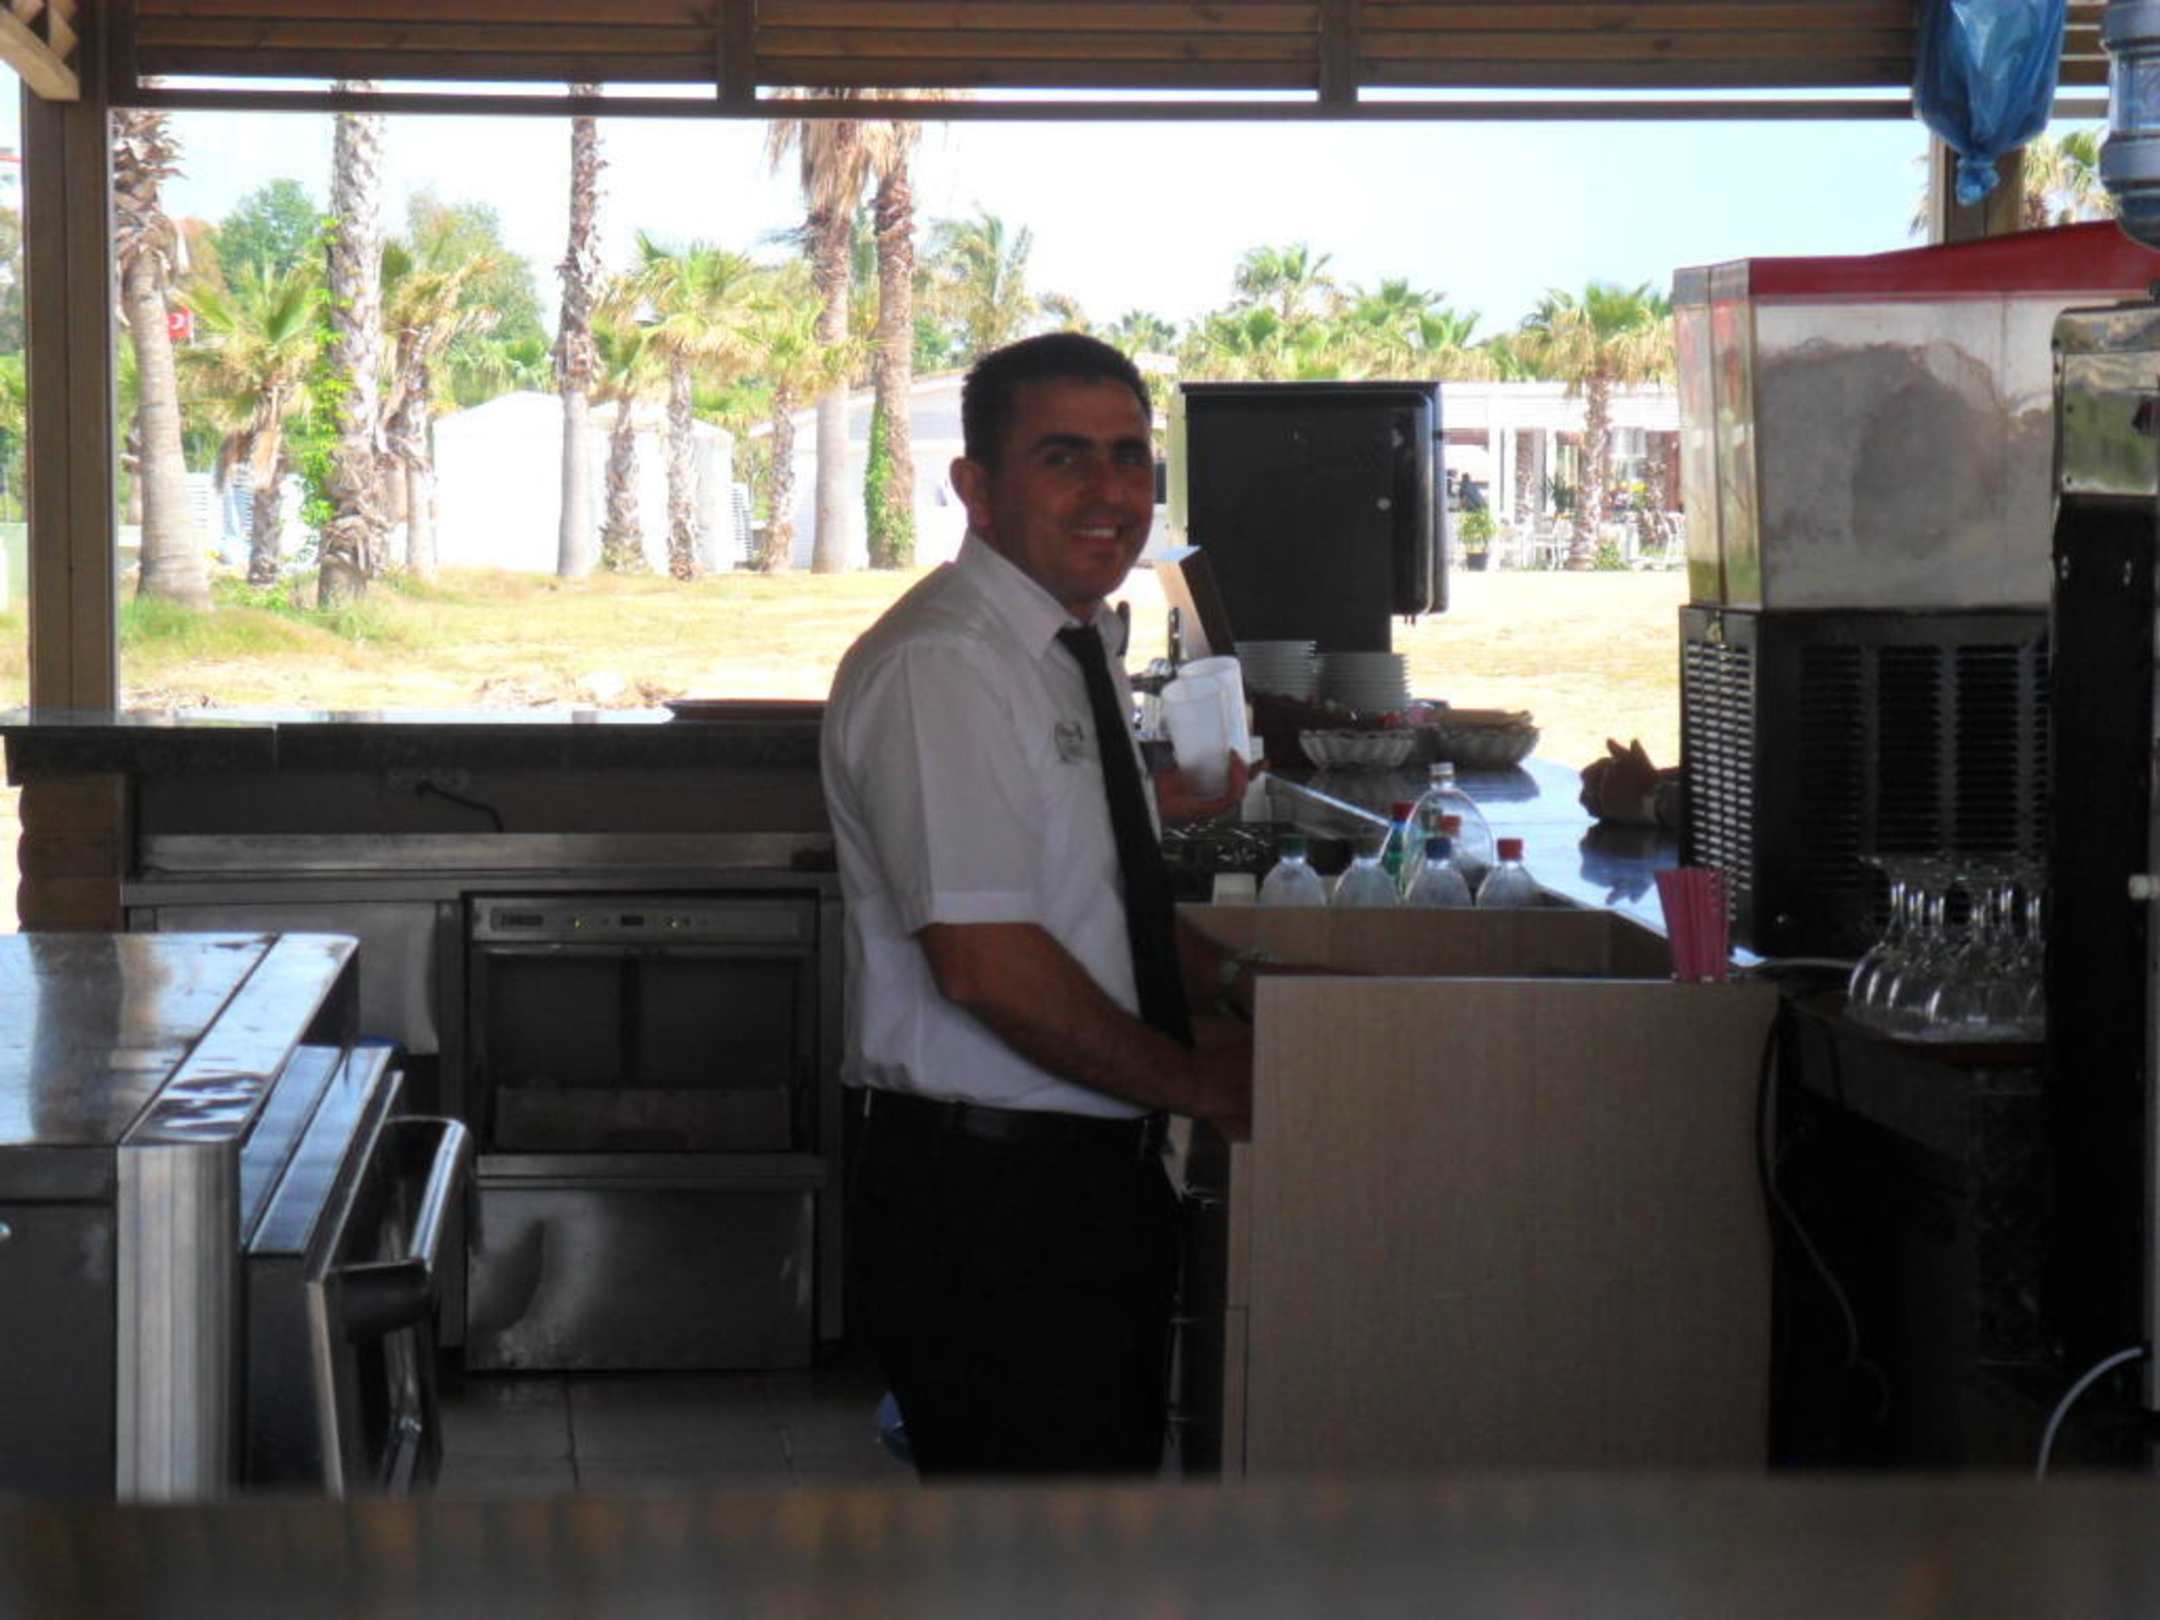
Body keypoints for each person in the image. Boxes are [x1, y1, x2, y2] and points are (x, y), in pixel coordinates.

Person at [820, 332, 1258, 1479]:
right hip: (992, 1194)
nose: (1110, 491)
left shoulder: (1069, 644)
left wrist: (1249, 988)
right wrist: (1200, 1085)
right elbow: (985, 963)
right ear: (975, 487)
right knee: (1037, 1535)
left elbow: (1095, 894)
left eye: (1130, 457)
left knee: (1087, 1519)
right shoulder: (945, 664)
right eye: (1064, 458)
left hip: (1083, 1173)